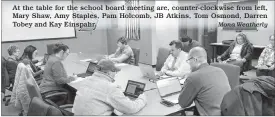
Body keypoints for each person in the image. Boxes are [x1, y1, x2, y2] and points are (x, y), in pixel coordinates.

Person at [73, 59, 147, 115]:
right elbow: (131, 108)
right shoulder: (110, 88)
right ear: (109, 73)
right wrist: (142, 98)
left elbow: (100, 92)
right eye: (115, 72)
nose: (115, 74)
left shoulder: (86, 80)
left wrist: (117, 92)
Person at [178, 47, 231, 116]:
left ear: (195, 60)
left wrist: (187, 83)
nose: (189, 64)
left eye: (188, 61)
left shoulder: (194, 77)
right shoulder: (220, 71)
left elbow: (183, 103)